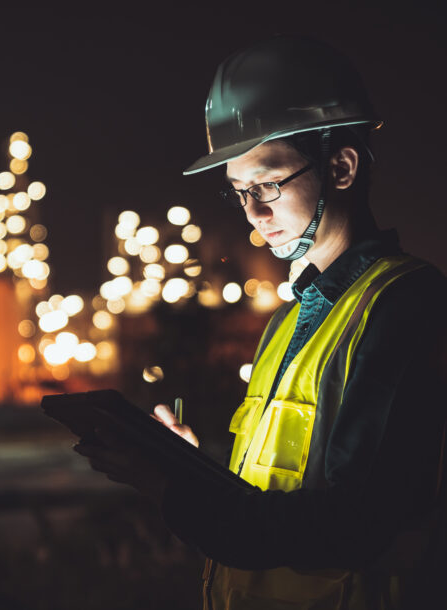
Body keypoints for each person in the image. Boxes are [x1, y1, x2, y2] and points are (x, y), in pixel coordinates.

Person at [74, 35, 447, 609]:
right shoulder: (291, 319)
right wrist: (192, 468)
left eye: (268, 183)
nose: (253, 211)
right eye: (240, 190)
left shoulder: (404, 306)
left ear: (341, 166)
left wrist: (171, 489)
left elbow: (352, 526)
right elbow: (277, 491)